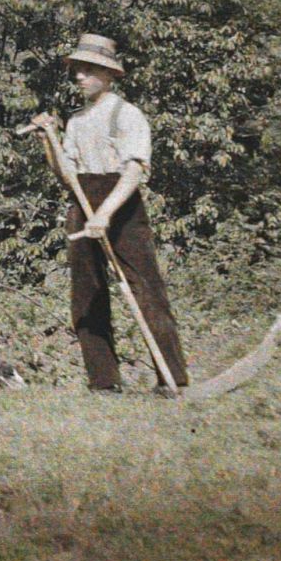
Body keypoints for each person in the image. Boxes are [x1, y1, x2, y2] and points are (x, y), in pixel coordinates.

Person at [31, 33, 189, 394]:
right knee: (86, 294)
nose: (79, 77)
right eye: (78, 71)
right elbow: (65, 175)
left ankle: (172, 379)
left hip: (121, 206)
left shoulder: (127, 115)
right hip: (82, 201)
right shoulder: (77, 120)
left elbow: (135, 171)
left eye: (88, 71)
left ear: (108, 74)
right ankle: (103, 382)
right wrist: (48, 141)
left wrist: (104, 213)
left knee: (147, 290)